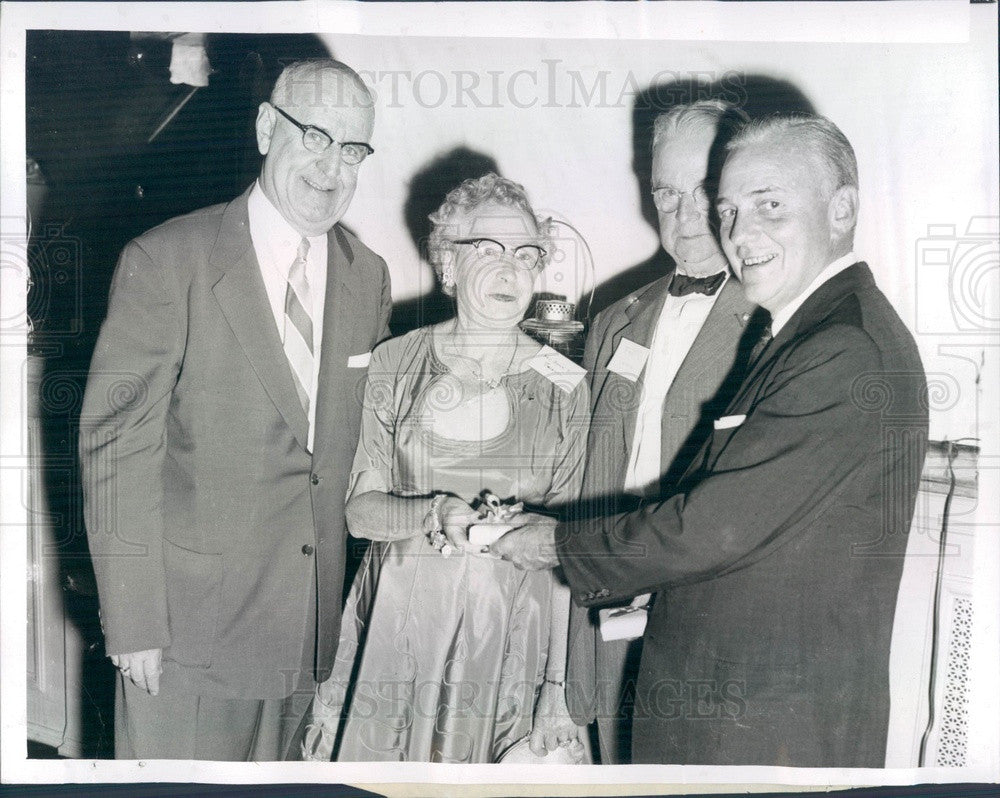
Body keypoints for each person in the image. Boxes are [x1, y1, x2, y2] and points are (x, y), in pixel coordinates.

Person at [494, 113, 929, 767]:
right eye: (728, 208)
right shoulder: (810, 330)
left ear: (842, 209)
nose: (738, 231)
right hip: (726, 705)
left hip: (762, 722)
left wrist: (555, 541)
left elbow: (714, 527)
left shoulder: (842, 347)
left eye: (770, 206)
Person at [78, 59, 391, 760]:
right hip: (187, 636)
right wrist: (133, 623)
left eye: (353, 149)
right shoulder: (167, 261)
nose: (331, 166)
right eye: (315, 136)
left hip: (307, 635)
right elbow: (117, 455)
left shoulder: (365, 274)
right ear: (264, 127)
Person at [301, 174, 589, 763]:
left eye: (527, 254)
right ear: (449, 264)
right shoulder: (395, 361)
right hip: (399, 622)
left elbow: (571, 549)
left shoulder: (567, 385)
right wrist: (432, 512)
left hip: (510, 636)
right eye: (488, 250)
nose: (511, 270)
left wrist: (557, 689)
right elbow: (359, 512)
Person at [564, 100, 763, 765]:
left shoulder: (777, 322)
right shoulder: (617, 315)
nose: (682, 217)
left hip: (711, 628)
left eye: (702, 193)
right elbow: (589, 478)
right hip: (606, 612)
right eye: (666, 194)